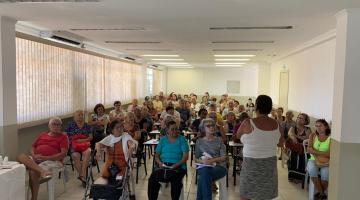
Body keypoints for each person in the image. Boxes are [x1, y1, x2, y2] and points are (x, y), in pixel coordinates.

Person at [236, 95, 284, 200]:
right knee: (265, 194)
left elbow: (237, 136)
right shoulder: (277, 124)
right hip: (269, 164)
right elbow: (281, 144)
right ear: (270, 108)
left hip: (251, 163)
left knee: (247, 194)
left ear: (256, 106)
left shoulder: (248, 122)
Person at [17, 117, 68, 200]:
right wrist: (34, 156)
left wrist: (45, 158)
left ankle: (34, 198)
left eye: (58, 124)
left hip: (52, 161)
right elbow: (32, 147)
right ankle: (42, 171)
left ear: (60, 126)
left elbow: (63, 154)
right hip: (36, 159)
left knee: (33, 172)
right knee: (21, 156)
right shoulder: (42, 134)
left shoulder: (63, 137)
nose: (56, 126)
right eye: (54, 124)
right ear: (49, 125)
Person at [95, 119, 137, 199]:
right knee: (106, 180)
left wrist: (131, 147)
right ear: (112, 130)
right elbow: (98, 144)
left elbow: (131, 143)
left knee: (118, 181)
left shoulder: (125, 136)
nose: (120, 129)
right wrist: (98, 151)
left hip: (122, 165)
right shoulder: (109, 138)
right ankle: (109, 195)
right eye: (117, 127)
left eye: (121, 127)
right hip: (110, 165)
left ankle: (118, 195)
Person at [148, 120, 189, 200]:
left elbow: (185, 157)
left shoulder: (182, 139)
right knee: (153, 179)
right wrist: (160, 163)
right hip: (163, 165)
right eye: (172, 129)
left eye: (176, 129)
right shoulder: (163, 140)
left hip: (178, 166)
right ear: (167, 131)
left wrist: (176, 165)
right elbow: (157, 156)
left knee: (176, 180)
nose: (175, 131)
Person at [195, 118, 227, 200]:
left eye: (213, 125)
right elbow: (196, 158)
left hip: (219, 167)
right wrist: (203, 161)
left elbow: (224, 157)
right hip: (203, 166)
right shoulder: (199, 141)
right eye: (208, 126)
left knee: (204, 175)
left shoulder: (219, 140)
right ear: (203, 128)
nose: (211, 127)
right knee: (205, 173)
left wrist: (211, 161)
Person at [65, 110, 92, 186]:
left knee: (88, 152)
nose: (80, 116)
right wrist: (75, 141)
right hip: (74, 145)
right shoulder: (70, 125)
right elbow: (66, 137)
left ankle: (82, 176)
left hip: (84, 145)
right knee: (76, 156)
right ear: (74, 117)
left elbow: (90, 137)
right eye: (78, 115)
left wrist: (81, 140)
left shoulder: (87, 125)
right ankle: (83, 177)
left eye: (81, 115)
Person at [306, 119, 331, 200]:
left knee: (325, 174)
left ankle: (320, 193)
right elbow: (309, 150)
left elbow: (329, 153)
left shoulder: (330, 138)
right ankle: (322, 193)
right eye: (316, 126)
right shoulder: (312, 136)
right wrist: (317, 159)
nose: (318, 128)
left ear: (326, 126)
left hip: (326, 161)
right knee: (312, 169)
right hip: (313, 159)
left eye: (320, 126)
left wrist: (314, 151)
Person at [286, 113, 312, 182]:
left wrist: (296, 136)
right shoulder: (292, 128)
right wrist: (293, 137)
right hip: (295, 148)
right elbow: (290, 134)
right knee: (293, 154)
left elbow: (307, 138)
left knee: (303, 156)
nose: (299, 119)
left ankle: (300, 177)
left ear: (306, 121)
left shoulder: (308, 129)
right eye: (298, 117)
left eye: (301, 118)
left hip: (305, 149)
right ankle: (292, 176)